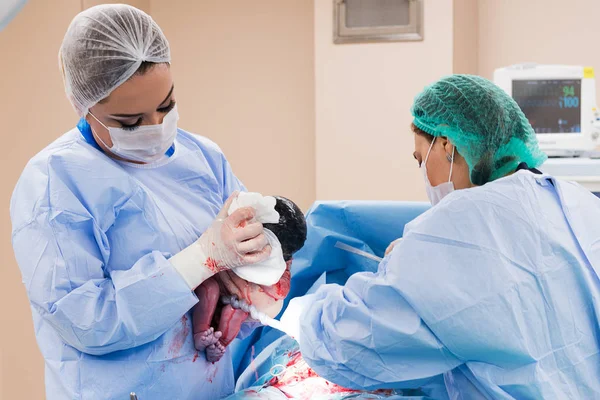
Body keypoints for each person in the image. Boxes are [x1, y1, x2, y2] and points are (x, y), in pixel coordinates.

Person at [10, 4, 273, 399]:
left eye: (166, 106)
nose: (156, 129)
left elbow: (248, 252)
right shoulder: (55, 182)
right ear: (84, 105)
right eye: (130, 122)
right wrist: (198, 260)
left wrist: (256, 258)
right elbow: (85, 322)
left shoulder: (202, 156)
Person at [285, 75, 600, 399]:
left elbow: (357, 343)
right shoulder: (579, 203)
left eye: (421, 159)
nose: (423, 173)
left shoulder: (460, 223)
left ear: (448, 145)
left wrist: (303, 312)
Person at [192, 196, 307, 363]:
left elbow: (277, 293)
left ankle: (220, 344)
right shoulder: (243, 224)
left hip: (239, 303)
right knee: (209, 289)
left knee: (236, 312)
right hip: (210, 280)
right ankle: (200, 332)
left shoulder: (278, 264)